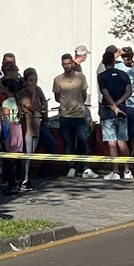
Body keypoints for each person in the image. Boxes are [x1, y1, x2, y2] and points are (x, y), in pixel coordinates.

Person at [53, 50, 94, 178]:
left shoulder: (80, 77)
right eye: (64, 64)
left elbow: (83, 93)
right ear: (62, 64)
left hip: (80, 114)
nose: (67, 66)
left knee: (83, 141)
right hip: (65, 115)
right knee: (68, 142)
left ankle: (85, 167)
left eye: (69, 63)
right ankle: (71, 167)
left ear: (72, 63)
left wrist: (77, 103)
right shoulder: (58, 79)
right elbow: (57, 97)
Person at [97, 44, 132, 179]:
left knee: (112, 141)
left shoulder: (102, 77)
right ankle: (127, 171)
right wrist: (119, 104)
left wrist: (113, 106)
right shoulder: (123, 74)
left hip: (107, 111)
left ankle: (116, 171)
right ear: (113, 61)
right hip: (122, 109)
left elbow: (105, 93)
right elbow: (129, 92)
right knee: (122, 140)